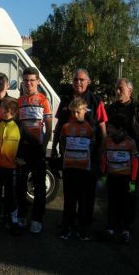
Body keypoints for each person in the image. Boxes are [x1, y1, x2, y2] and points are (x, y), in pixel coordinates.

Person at [52, 68, 108, 223]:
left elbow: (102, 128)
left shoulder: (96, 100)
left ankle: (84, 224)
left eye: (82, 80)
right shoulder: (65, 100)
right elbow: (58, 127)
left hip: (89, 157)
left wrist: (102, 152)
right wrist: (55, 147)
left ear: (88, 82)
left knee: (87, 193)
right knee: (69, 192)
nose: (78, 82)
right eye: (75, 79)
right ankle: (68, 222)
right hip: (69, 156)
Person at [0, 98, 43, 235]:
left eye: (3, 108)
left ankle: (14, 221)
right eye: (1, 108)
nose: (1, 110)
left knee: (11, 195)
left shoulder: (19, 126)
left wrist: (25, 159)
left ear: (11, 111)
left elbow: (35, 144)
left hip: (12, 169)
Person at [16, 67, 52, 233]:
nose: (29, 83)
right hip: (23, 149)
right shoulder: (19, 101)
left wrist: (43, 148)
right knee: (21, 185)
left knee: (38, 186)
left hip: (37, 149)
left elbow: (49, 128)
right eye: (26, 80)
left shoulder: (44, 100)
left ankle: (37, 219)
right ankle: (22, 216)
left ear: (38, 81)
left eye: (32, 80)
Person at [59, 98, 95, 240]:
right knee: (69, 200)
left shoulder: (89, 128)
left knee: (84, 200)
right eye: (73, 112)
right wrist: (64, 156)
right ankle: (67, 227)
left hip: (83, 169)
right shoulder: (66, 127)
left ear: (85, 111)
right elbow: (62, 143)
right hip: (69, 168)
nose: (75, 115)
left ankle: (83, 228)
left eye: (78, 112)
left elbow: (92, 146)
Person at [100, 115, 138, 243]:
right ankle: (110, 228)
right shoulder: (107, 141)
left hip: (126, 179)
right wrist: (103, 174)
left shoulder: (130, 142)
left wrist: (133, 181)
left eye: (110, 127)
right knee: (112, 204)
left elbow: (135, 163)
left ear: (119, 128)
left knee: (126, 205)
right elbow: (104, 158)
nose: (108, 129)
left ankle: (126, 230)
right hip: (112, 178)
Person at [106, 79, 138, 143]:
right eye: (116, 89)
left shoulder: (136, 108)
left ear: (130, 91)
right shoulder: (110, 109)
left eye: (121, 88)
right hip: (114, 148)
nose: (118, 91)